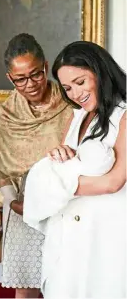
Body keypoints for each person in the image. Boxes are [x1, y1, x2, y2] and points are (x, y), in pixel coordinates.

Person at [33, 41, 126, 298]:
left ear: (100, 71)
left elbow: (114, 181)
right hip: (70, 231)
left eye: (80, 82)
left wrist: (49, 183)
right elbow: (64, 164)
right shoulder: (77, 117)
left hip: (106, 235)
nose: (75, 93)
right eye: (67, 88)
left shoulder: (124, 117)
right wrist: (57, 156)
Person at [0, 33, 73, 298]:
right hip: (24, 208)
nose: (31, 84)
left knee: (65, 284)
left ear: (46, 67)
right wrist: (12, 200)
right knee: (27, 290)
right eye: (20, 79)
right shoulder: (7, 114)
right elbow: (1, 166)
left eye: (36, 74)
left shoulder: (70, 102)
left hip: (66, 204)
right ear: (10, 79)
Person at [24, 139, 115, 232]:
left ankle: (32, 209)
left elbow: (112, 184)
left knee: (53, 183)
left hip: (94, 206)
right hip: (69, 166)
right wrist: (61, 151)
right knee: (44, 172)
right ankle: (31, 205)